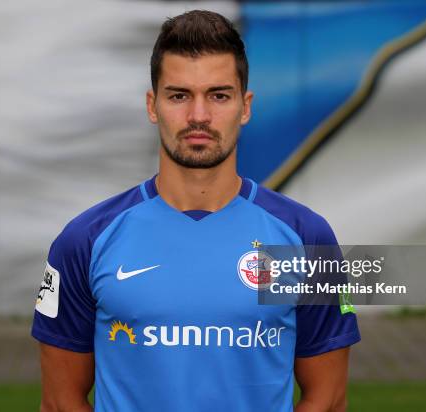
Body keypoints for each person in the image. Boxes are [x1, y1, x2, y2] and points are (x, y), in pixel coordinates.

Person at [31, 9, 360, 412]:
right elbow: (60, 402)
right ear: (153, 106)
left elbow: (328, 399)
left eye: (219, 95)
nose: (198, 116)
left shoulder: (307, 238)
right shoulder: (85, 241)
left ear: (245, 106)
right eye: (179, 95)